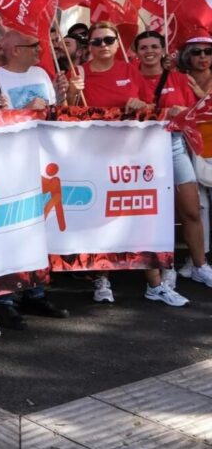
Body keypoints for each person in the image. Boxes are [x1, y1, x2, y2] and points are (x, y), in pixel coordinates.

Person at [70, 24, 187, 306]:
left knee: (141, 214)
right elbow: (67, 113)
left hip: (131, 156)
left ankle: (155, 285)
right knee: (98, 217)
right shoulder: (78, 73)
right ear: (89, 46)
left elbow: (147, 108)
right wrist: (72, 93)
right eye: (96, 41)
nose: (103, 45)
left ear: (116, 43)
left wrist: (138, 104)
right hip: (93, 156)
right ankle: (102, 278)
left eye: (109, 40)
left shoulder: (129, 70)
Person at [0, 31, 70, 330]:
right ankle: (5, 300)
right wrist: (27, 110)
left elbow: (52, 114)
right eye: (34, 46)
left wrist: (60, 98)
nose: (40, 49)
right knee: (11, 229)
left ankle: (36, 291)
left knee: (37, 229)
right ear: (16, 50)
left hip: (41, 161)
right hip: (9, 165)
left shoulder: (42, 73)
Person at [135, 32, 212, 291]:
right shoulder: (131, 78)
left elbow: (197, 115)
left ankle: (200, 266)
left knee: (191, 210)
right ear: (136, 52)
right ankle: (164, 267)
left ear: (163, 50)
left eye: (154, 46)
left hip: (175, 146)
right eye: (144, 47)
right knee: (155, 213)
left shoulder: (180, 79)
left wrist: (184, 112)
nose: (149, 51)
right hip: (141, 152)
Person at [179, 36, 212, 276]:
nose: (202, 56)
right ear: (187, 56)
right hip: (189, 142)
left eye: (208, 51)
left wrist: (202, 95)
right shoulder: (180, 79)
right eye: (196, 52)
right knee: (198, 204)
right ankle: (199, 257)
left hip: (210, 140)